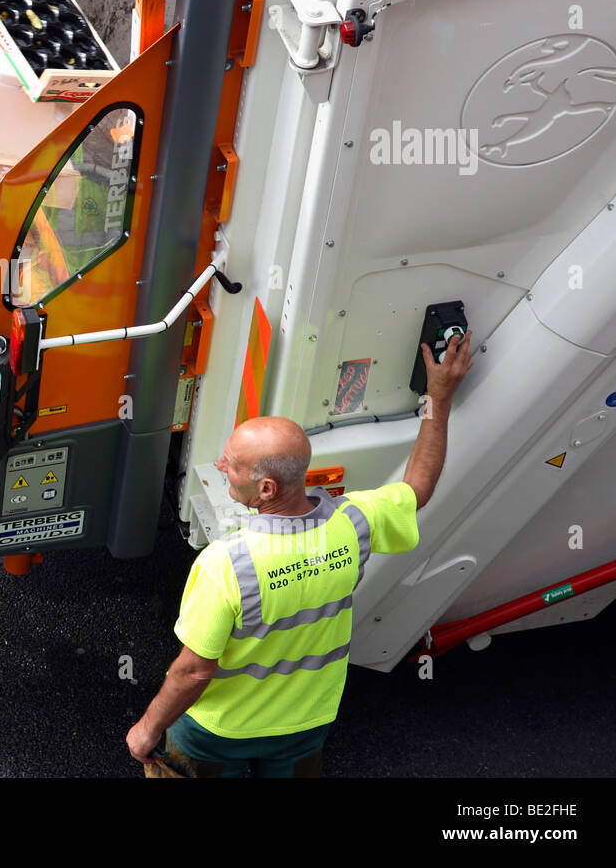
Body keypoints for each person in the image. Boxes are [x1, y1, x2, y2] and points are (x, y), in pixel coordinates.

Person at [125, 331, 473, 776]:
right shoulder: (355, 523)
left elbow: (193, 671)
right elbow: (418, 489)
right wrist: (438, 400)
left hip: (219, 732)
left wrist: (148, 726)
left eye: (231, 463)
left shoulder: (224, 565)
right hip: (306, 723)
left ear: (266, 489)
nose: (220, 467)